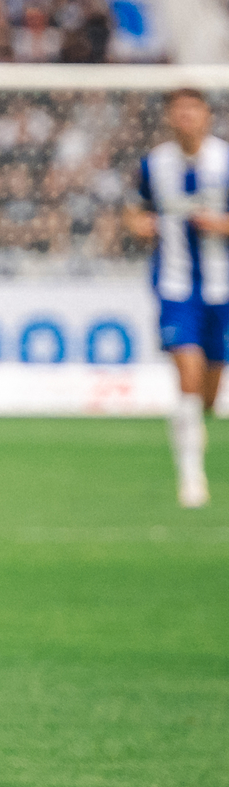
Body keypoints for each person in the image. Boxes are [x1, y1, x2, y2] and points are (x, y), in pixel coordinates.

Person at [125, 88, 229, 508]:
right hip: (175, 286)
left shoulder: (224, 161)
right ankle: (191, 477)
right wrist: (138, 225)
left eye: (193, 109)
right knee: (186, 371)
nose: (185, 117)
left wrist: (219, 225)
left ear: (206, 115)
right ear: (170, 117)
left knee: (208, 392)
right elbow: (133, 210)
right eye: (178, 110)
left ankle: (190, 430)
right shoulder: (154, 164)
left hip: (222, 288)